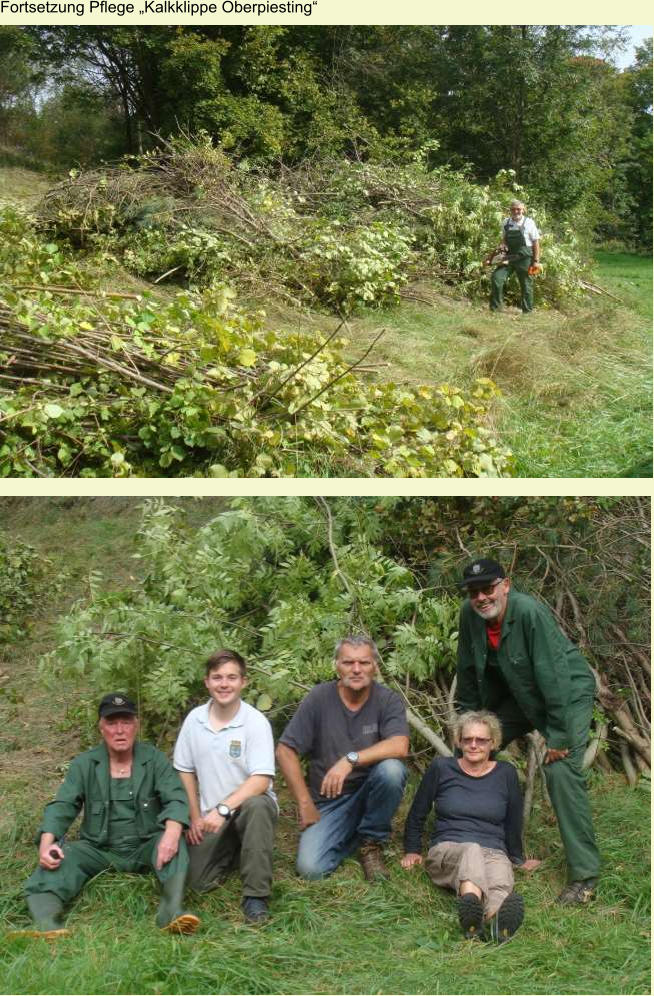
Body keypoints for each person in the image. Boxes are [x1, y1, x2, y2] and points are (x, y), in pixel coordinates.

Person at [456, 557, 600, 905]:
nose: (481, 598)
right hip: (520, 697)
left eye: (488, 588)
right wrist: (468, 724)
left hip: (565, 695)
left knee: (560, 770)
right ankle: (480, 849)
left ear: (505, 585)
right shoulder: (469, 615)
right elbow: (468, 672)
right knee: (475, 750)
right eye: (474, 592)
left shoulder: (528, 612)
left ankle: (584, 877)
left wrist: (560, 736)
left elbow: (554, 677)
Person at [18, 693, 198, 938]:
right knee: (62, 854)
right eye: (112, 723)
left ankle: (171, 912)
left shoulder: (153, 759)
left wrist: (172, 831)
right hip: (98, 849)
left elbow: (176, 798)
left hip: (146, 845)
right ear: (101, 727)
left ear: (136, 725)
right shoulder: (85, 764)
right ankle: (46, 922)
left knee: (174, 841)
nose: (119, 730)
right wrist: (46, 842)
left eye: (125, 722)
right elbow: (63, 805)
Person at [276, 635, 409, 881]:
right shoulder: (319, 698)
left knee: (392, 770)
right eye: (348, 662)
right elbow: (285, 750)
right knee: (310, 869)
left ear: (375, 667)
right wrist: (305, 804)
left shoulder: (387, 700)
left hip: (370, 793)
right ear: (336, 665)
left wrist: (350, 759)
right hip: (328, 801)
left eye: (364, 663)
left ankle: (371, 844)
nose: (356, 670)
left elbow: (400, 745)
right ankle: (355, 833)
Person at [402, 711, 539, 943]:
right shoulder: (441, 768)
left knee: (499, 876)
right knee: (472, 850)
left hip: (493, 850)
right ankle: (471, 908)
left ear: (493, 742)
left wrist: (516, 858)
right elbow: (418, 812)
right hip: (448, 850)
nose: (473, 745)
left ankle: (496, 922)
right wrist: (413, 850)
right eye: (468, 739)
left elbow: (513, 820)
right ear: (459, 742)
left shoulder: (505, 773)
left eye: (481, 740)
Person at [173, 649, 277, 924]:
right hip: (209, 815)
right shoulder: (194, 721)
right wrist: (195, 816)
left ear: (244, 682)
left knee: (256, 805)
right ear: (206, 682)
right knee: (197, 882)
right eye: (217, 677)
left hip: (247, 808)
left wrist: (223, 809)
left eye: (232, 677)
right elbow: (184, 770)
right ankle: (239, 851)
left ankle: (256, 897)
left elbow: (261, 779)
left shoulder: (255, 722)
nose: (224, 684)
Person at [485, 199, 541, 313]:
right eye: (513, 209)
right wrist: (502, 248)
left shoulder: (529, 222)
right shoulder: (506, 222)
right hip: (509, 258)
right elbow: (504, 240)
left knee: (526, 285)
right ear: (510, 210)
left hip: (525, 258)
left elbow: (536, 242)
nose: (516, 211)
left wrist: (536, 261)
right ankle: (495, 309)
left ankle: (527, 312)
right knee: (497, 278)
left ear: (523, 210)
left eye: (518, 209)